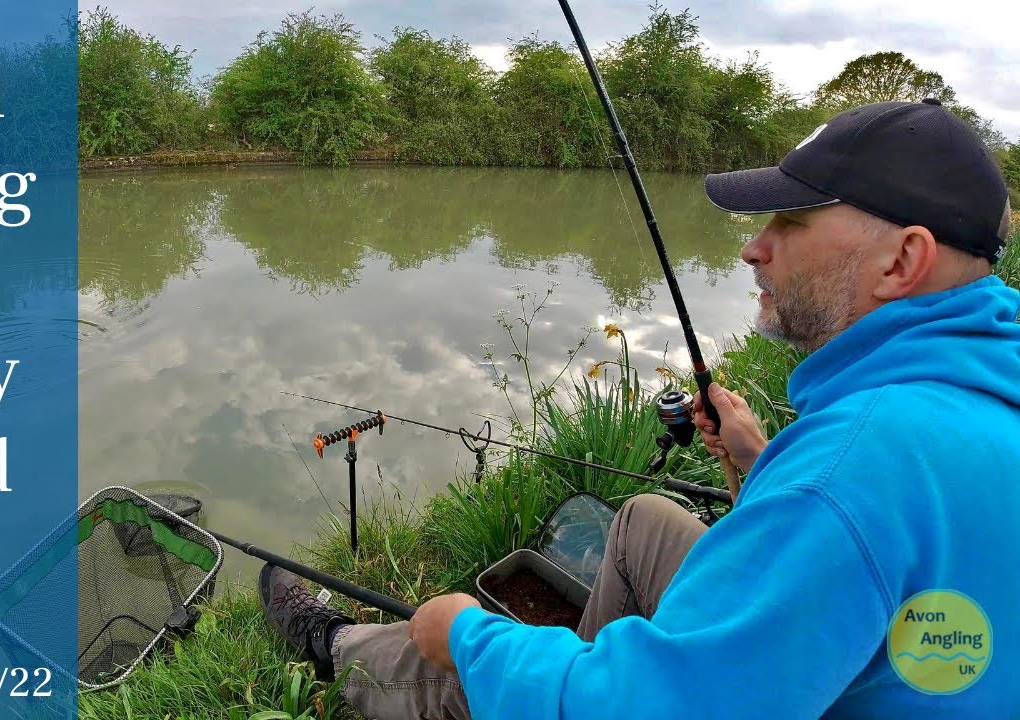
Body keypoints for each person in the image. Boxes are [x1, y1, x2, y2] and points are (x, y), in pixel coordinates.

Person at [260, 99, 1020, 718]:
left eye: (791, 221)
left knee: (471, 661)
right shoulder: (978, 392)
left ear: (902, 259)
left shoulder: (852, 472)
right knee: (647, 518)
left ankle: (333, 646)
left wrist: (466, 633)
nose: (755, 248)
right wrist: (761, 465)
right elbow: (876, 554)